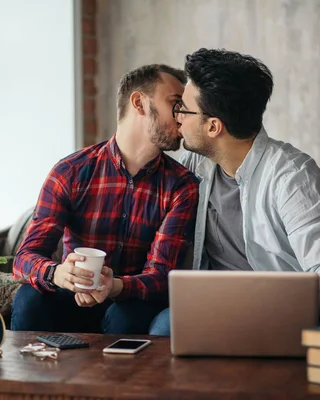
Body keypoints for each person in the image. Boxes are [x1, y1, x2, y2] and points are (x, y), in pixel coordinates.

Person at [150, 48, 320, 336]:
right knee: (164, 326)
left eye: (184, 109)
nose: (177, 116)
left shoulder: (291, 174)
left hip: (288, 309)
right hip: (219, 307)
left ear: (214, 126)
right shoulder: (194, 164)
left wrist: (272, 316)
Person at [11, 64, 199, 334]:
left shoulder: (182, 185)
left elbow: (162, 276)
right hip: (72, 296)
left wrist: (115, 286)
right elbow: (25, 258)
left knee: (128, 315)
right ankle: (26, 376)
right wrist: (58, 274)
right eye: (175, 104)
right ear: (139, 103)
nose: (182, 117)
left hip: (129, 302)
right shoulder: (71, 171)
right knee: (30, 299)